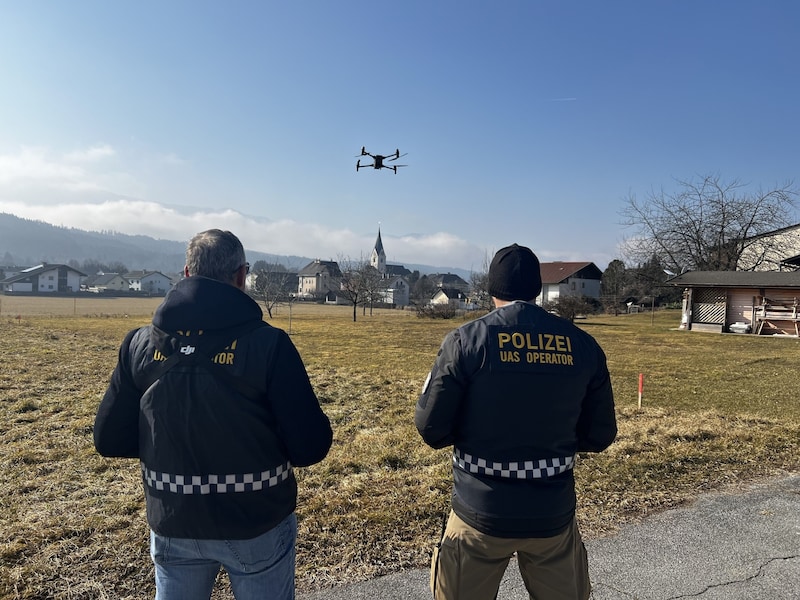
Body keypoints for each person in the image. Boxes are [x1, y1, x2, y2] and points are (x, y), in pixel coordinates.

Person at [94, 229, 332, 600]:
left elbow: (109, 440)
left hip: (173, 518)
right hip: (257, 522)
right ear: (241, 276)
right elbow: (310, 447)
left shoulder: (138, 344)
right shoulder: (270, 345)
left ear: (186, 273)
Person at [415, 243, 617, 600]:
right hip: (552, 514)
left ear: (493, 289)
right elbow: (600, 434)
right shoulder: (583, 346)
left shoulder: (465, 342)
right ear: (537, 290)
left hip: (479, 513)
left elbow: (431, 428)